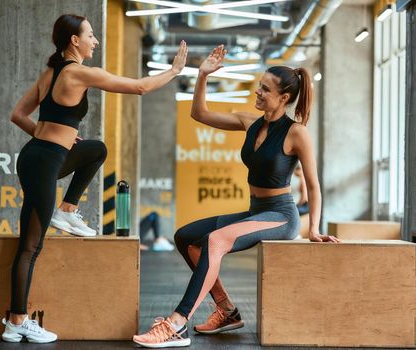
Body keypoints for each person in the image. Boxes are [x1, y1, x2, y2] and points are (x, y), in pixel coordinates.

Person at [133, 45, 340, 348]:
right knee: (185, 236)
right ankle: (227, 311)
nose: (257, 93)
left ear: (283, 98)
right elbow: (199, 113)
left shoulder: (297, 133)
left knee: (215, 241)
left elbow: (314, 184)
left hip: (281, 216)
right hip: (256, 211)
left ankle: (176, 324)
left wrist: (314, 230)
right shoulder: (250, 122)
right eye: (259, 86)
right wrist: (202, 75)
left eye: (265, 90)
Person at [1, 14, 187, 343]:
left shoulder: (51, 73)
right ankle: (17, 319)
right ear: (74, 40)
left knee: (95, 149)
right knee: (31, 247)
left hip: (36, 156)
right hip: (44, 162)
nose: (95, 40)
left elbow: (18, 115)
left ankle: (68, 210)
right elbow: (140, 87)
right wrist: (173, 71)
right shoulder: (80, 73)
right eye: (90, 35)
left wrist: (52, 136)